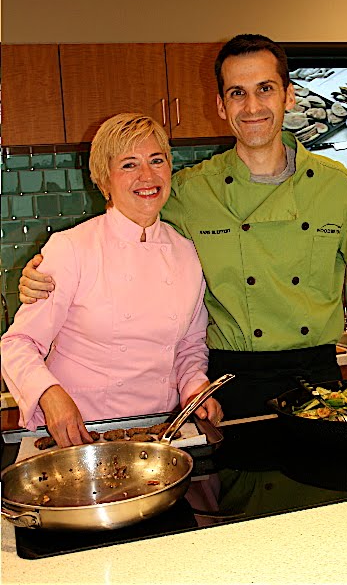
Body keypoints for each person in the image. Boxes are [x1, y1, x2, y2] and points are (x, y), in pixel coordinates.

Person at [18, 35, 347, 419]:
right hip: (229, 382)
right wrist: (46, 272)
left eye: (265, 89)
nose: (252, 106)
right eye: (237, 93)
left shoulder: (335, 184)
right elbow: (129, 219)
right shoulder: (192, 189)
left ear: (289, 96)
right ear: (221, 106)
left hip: (316, 375)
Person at [1, 113, 222, 447]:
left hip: (157, 433)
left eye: (157, 160)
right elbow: (18, 343)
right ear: (105, 180)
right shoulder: (72, 248)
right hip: (79, 434)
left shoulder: (187, 251)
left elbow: (189, 346)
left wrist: (195, 388)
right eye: (129, 164)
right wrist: (49, 394)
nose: (147, 176)